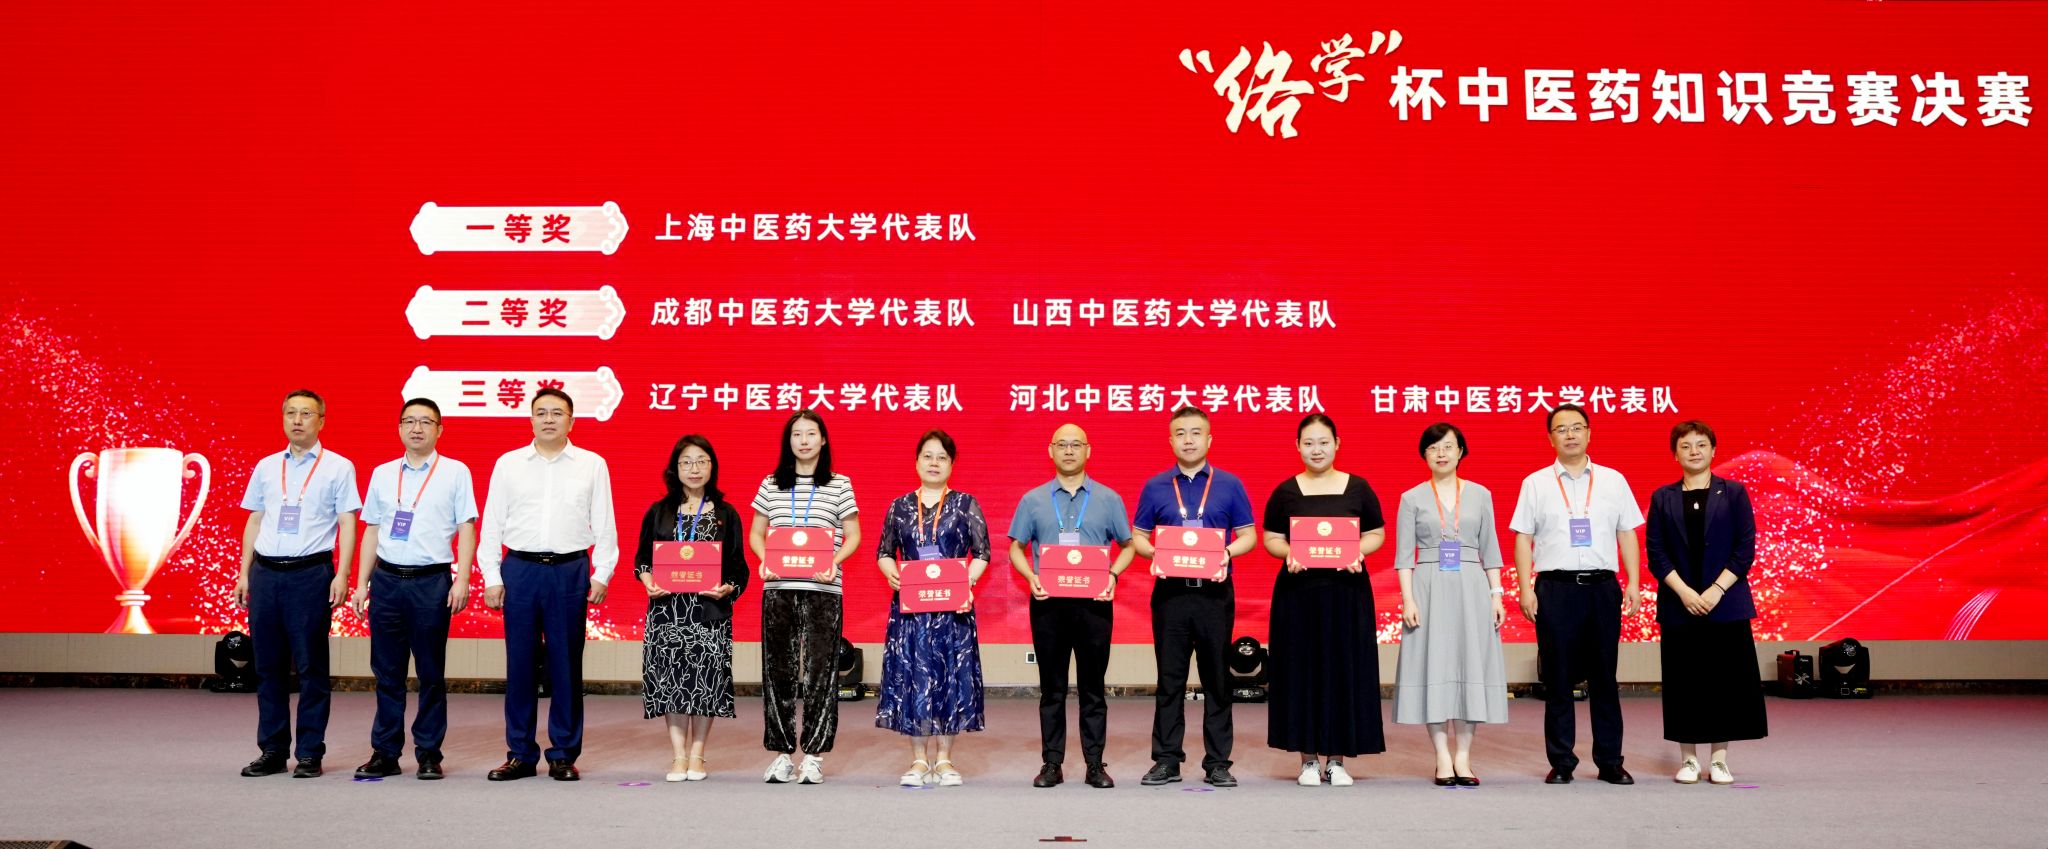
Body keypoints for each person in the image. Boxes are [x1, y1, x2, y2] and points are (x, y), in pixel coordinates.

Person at [477, 387, 620, 782]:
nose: (549, 419)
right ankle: (520, 754)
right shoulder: (508, 464)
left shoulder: (592, 464)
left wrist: (602, 573)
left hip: (569, 570)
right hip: (520, 570)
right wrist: (492, 576)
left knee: (566, 664)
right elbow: (492, 524)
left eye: (557, 413)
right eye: (541, 412)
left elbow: (604, 523)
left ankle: (563, 754)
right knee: (520, 664)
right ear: (531, 419)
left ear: (571, 421)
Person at [1510, 403, 1644, 785]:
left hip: (1602, 588)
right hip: (1556, 590)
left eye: (1577, 427)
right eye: (1561, 429)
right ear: (1550, 438)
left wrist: (1633, 582)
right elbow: (1523, 538)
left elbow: (1626, 533)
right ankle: (1562, 761)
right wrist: (1525, 588)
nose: (1570, 434)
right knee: (1558, 678)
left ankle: (1610, 761)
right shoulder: (1535, 483)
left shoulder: (1613, 480)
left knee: (1604, 677)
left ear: (1589, 433)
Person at [347, 398, 478, 780]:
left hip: (430, 582)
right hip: (387, 581)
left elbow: (467, 527)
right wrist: (361, 583)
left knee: (430, 673)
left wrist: (463, 578)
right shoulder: (383, 473)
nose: (416, 428)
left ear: (440, 429)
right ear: (399, 428)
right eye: (409, 421)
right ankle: (385, 752)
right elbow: (372, 529)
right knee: (386, 672)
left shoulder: (455, 472)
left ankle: (429, 753)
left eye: (425, 422)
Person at [1129, 406, 1258, 788]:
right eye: (1181, 433)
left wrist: (1226, 553)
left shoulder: (1229, 485)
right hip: (1170, 594)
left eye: (1196, 433)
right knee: (1170, 679)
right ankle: (1167, 760)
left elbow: (1248, 535)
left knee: (1217, 679)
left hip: (1214, 595)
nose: (1188, 440)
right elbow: (1138, 536)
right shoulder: (1155, 486)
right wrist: (1156, 553)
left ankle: (1217, 762)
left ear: (1209, 439)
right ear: (1171, 441)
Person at [236, 389, 361, 779]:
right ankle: (272, 750)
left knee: (311, 667)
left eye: (306, 413)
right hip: (266, 573)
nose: (297, 420)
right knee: (268, 667)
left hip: (310, 574)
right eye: (290, 412)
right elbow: (255, 519)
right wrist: (244, 572)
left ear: (321, 420)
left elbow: (348, 522)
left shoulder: (338, 467)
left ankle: (309, 752)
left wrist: (343, 573)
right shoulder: (267, 466)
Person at [1260, 413, 1388, 787]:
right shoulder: (1285, 491)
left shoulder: (1358, 487)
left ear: (1337, 444)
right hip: (1298, 596)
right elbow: (1271, 537)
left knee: (1343, 669)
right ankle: (1308, 761)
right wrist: (1288, 552)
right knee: (1301, 671)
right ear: (1298, 447)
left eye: (1324, 442)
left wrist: (1358, 551)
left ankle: (1336, 759)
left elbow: (1376, 532)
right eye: (1309, 443)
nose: (1316, 449)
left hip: (1347, 595)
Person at [1007, 423, 1133, 789]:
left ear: (1088, 450)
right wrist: (1030, 577)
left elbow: (1127, 545)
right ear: (1050, 450)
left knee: (1093, 688)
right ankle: (1052, 763)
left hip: (1094, 605)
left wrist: (1112, 575)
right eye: (1061, 444)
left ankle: (1095, 764)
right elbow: (1015, 546)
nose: (1068, 451)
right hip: (1049, 605)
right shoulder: (1033, 500)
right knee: (1052, 689)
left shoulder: (1109, 499)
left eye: (1076, 444)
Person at [1647, 420, 1766, 785]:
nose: (1694, 451)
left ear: (1713, 450)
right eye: (1685, 446)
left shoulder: (1734, 493)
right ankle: (1687, 759)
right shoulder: (1663, 497)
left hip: (1725, 604)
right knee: (1684, 682)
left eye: (1701, 445)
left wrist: (1716, 590)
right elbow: (1656, 552)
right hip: (1679, 604)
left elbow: (1745, 548)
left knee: (1724, 681)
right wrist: (1684, 592)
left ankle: (1718, 759)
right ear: (1675, 454)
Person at [1391, 422, 1509, 786]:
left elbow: (1491, 551)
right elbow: (1404, 557)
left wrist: (1496, 594)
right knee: (1433, 667)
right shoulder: (1411, 498)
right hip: (1428, 588)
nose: (1441, 454)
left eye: (1448, 446)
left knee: (1470, 664)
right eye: (1433, 448)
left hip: (1472, 587)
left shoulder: (1481, 494)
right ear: (1424, 455)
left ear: (1461, 452)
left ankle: (1464, 757)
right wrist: (1408, 599)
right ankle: (1442, 756)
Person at [749, 409, 861, 785]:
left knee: (820, 674)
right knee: (777, 672)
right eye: (796, 434)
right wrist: (765, 560)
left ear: (823, 440)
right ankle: (781, 755)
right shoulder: (771, 484)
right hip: (778, 588)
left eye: (811, 433)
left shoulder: (840, 484)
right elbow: (757, 533)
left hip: (823, 590)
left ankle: (813, 756)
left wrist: (834, 561)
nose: (804, 440)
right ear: (789, 441)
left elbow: (853, 535)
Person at [873, 430, 992, 787]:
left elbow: (982, 553)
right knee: (914, 678)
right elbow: (884, 552)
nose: (934, 463)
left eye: (942, 457)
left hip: (953, 611)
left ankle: (944, 759)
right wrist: (891, 572)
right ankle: (918, 760)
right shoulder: (899, 506)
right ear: (916, 462)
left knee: (950, 677)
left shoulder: (966, 504)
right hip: (911, 611)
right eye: (928, 456)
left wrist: (967, 581)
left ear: (952, 464)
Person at [633, 435, 749, 782]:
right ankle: (678, 756)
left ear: (712, 467)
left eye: (701, 461)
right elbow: (642, 560)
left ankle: (698, 755)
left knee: (706, 681)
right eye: (686, 462)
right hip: (667, 611)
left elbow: (739, 568)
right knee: (670, 681)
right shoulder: (659, 511)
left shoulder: (726, 514)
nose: (694, 468)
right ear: (675, 468)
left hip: (708, 612)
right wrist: (648, 581)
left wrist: (729, 587)